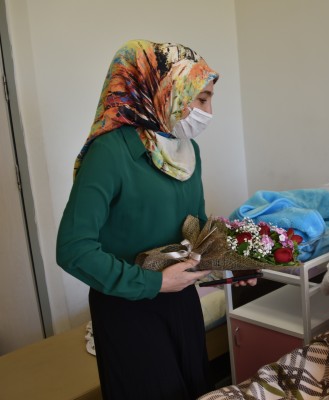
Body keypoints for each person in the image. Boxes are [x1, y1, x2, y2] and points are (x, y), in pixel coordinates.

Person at [56, 40, 256, 400]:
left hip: (181, 299)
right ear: (164, 90)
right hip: (128, 308)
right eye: (202, 99)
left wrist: (229, 263)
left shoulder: (186, 150)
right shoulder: (110, 152)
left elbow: (195, 228)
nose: (209, 111)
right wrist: (154, 283)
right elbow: (73, 249)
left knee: (196, 387)